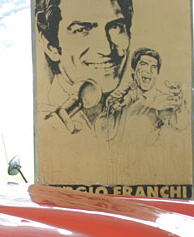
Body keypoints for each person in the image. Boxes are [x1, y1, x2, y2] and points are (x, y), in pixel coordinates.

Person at [35, 0, 133, 137]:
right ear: (51, 47)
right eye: (81, 30)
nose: (106, 49)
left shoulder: (136, 115)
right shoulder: (44, 125)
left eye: (115, 26)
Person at [105, 47, 189, 145]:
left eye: (154, 67)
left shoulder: (159, 100)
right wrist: (109, 109)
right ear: (133, 70)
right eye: (144, 64)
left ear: (157, 74)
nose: (149, 71)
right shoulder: (123, 96)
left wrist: (179, 107)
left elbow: (179, 124)